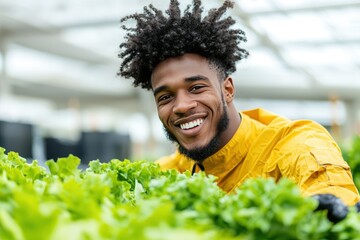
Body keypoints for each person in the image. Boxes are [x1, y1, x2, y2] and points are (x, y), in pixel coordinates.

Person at [118, 0, 360, 222]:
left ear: (228, 90)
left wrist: (329, 206)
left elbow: (331, 189)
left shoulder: (295, 144)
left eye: (196, 87)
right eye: (166, 97)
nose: (181, 106)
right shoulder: (168, 172)